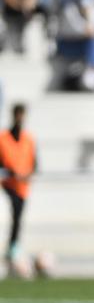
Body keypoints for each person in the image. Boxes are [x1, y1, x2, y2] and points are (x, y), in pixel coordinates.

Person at [0, 104, 36, 278]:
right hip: (8, 184)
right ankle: (12, 249)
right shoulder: (3, 138)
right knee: (15, 213)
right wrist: (11, 172)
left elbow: (34, 163)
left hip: (23, 186)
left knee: (18, 216)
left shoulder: (28, 139)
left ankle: (13, 249)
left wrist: (27, 174)